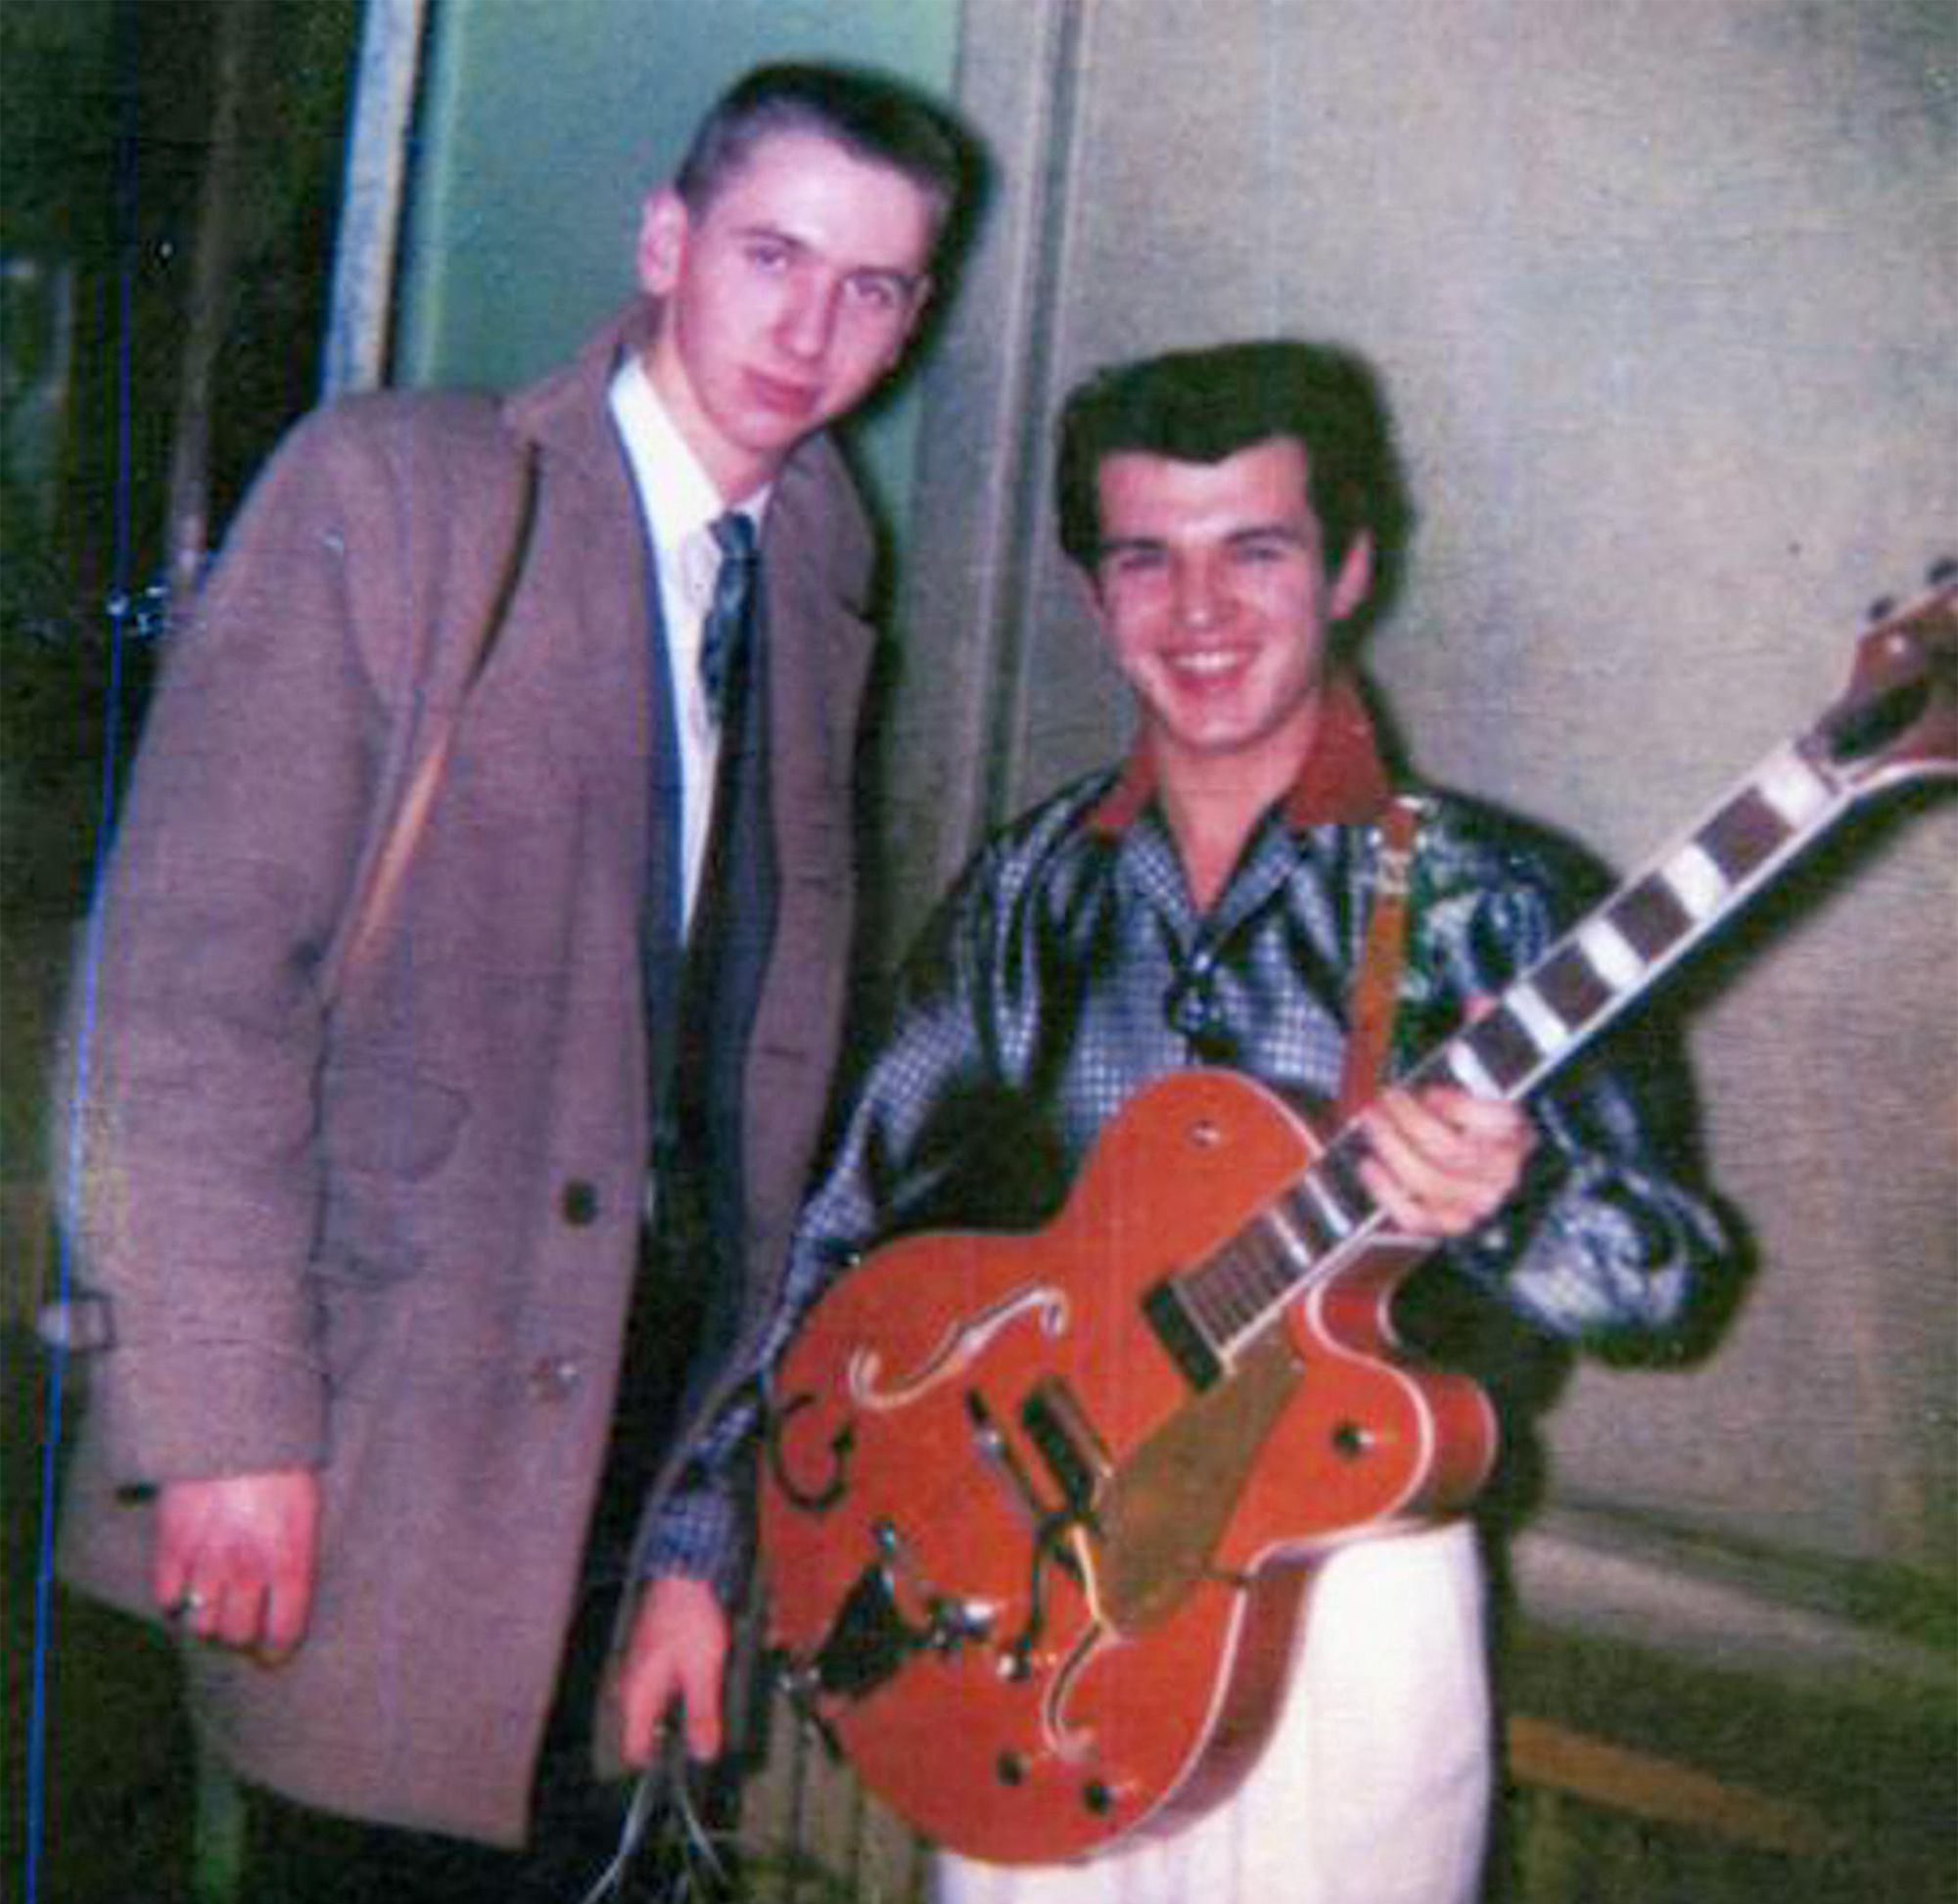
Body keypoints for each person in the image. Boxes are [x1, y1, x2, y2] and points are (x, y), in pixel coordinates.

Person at [640, 339, 1731, 1903]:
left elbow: (1674, 1287)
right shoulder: (1027, 895)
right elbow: (840, 1221)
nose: (1198, 612)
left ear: (1349, 569)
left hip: (1344, 1615)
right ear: (1096, 596)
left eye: (1255, 551)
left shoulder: (1493, 899)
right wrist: (700, 1550)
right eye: (1146, 559)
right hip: (1027, 1608)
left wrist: (1519, 1197)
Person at [51, 61, 977, 1900]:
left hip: (638, 1467)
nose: (811, 329)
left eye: (871, 286)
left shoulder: (818, 562)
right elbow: (182, 999)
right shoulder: (407, 492)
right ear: (666, 241)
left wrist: (710, 1532)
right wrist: (227, 1422)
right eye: (773, 256)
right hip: (379, 1427)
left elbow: (755, 1102)